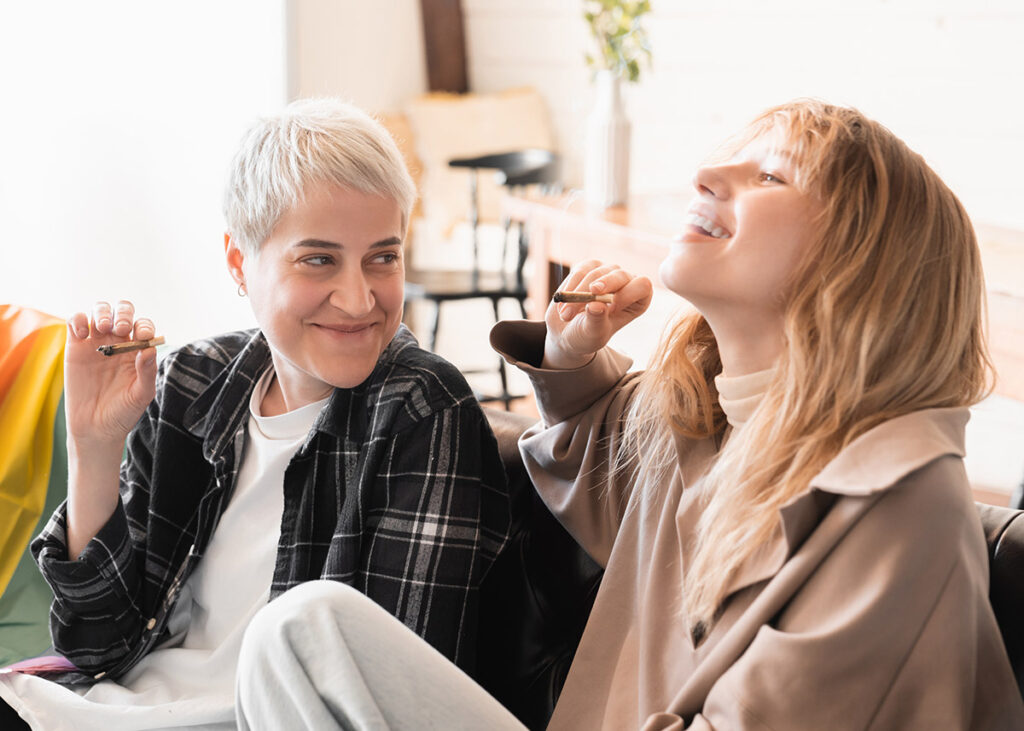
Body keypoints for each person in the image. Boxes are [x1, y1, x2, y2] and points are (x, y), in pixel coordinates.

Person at [228, 99, 1024, 730]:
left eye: (771, 175)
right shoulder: (698, 426)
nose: (709, 172)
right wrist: (572, 352)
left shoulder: (900, 503)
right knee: (304, 633)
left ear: (859, 262)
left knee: (301, 627)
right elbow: (592, 453)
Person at [0, 98, 511, 730]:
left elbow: (388, 692)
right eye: (319, 259)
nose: (358, 298)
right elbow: (95, 645)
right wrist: (94, 448)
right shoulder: (190, 382)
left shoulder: (424, 408)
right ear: (240, 262)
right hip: (119, 710)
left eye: (383, 256)